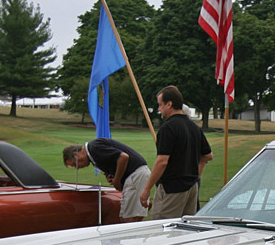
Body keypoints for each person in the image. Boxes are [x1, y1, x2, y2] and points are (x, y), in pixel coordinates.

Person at [140, 85, 213, 220]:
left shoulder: (168, 128)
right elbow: (208, 155)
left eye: (160, 105)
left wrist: (146, 189)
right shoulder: (194, 127)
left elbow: (162, 162)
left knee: (161, 230)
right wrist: (195, 175)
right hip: (192, 189)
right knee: (184, 231)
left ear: (169, 104)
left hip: (171, 189)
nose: (159, 109)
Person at [63, 138, 150, 222]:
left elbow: (123, 157)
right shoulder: (93, 155)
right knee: (124, 217)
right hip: (133, 176)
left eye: (75, 164)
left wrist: (117, 179)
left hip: (135, 175)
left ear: (76, 154)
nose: (77, 168)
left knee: (130, 218)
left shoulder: (94, 148)